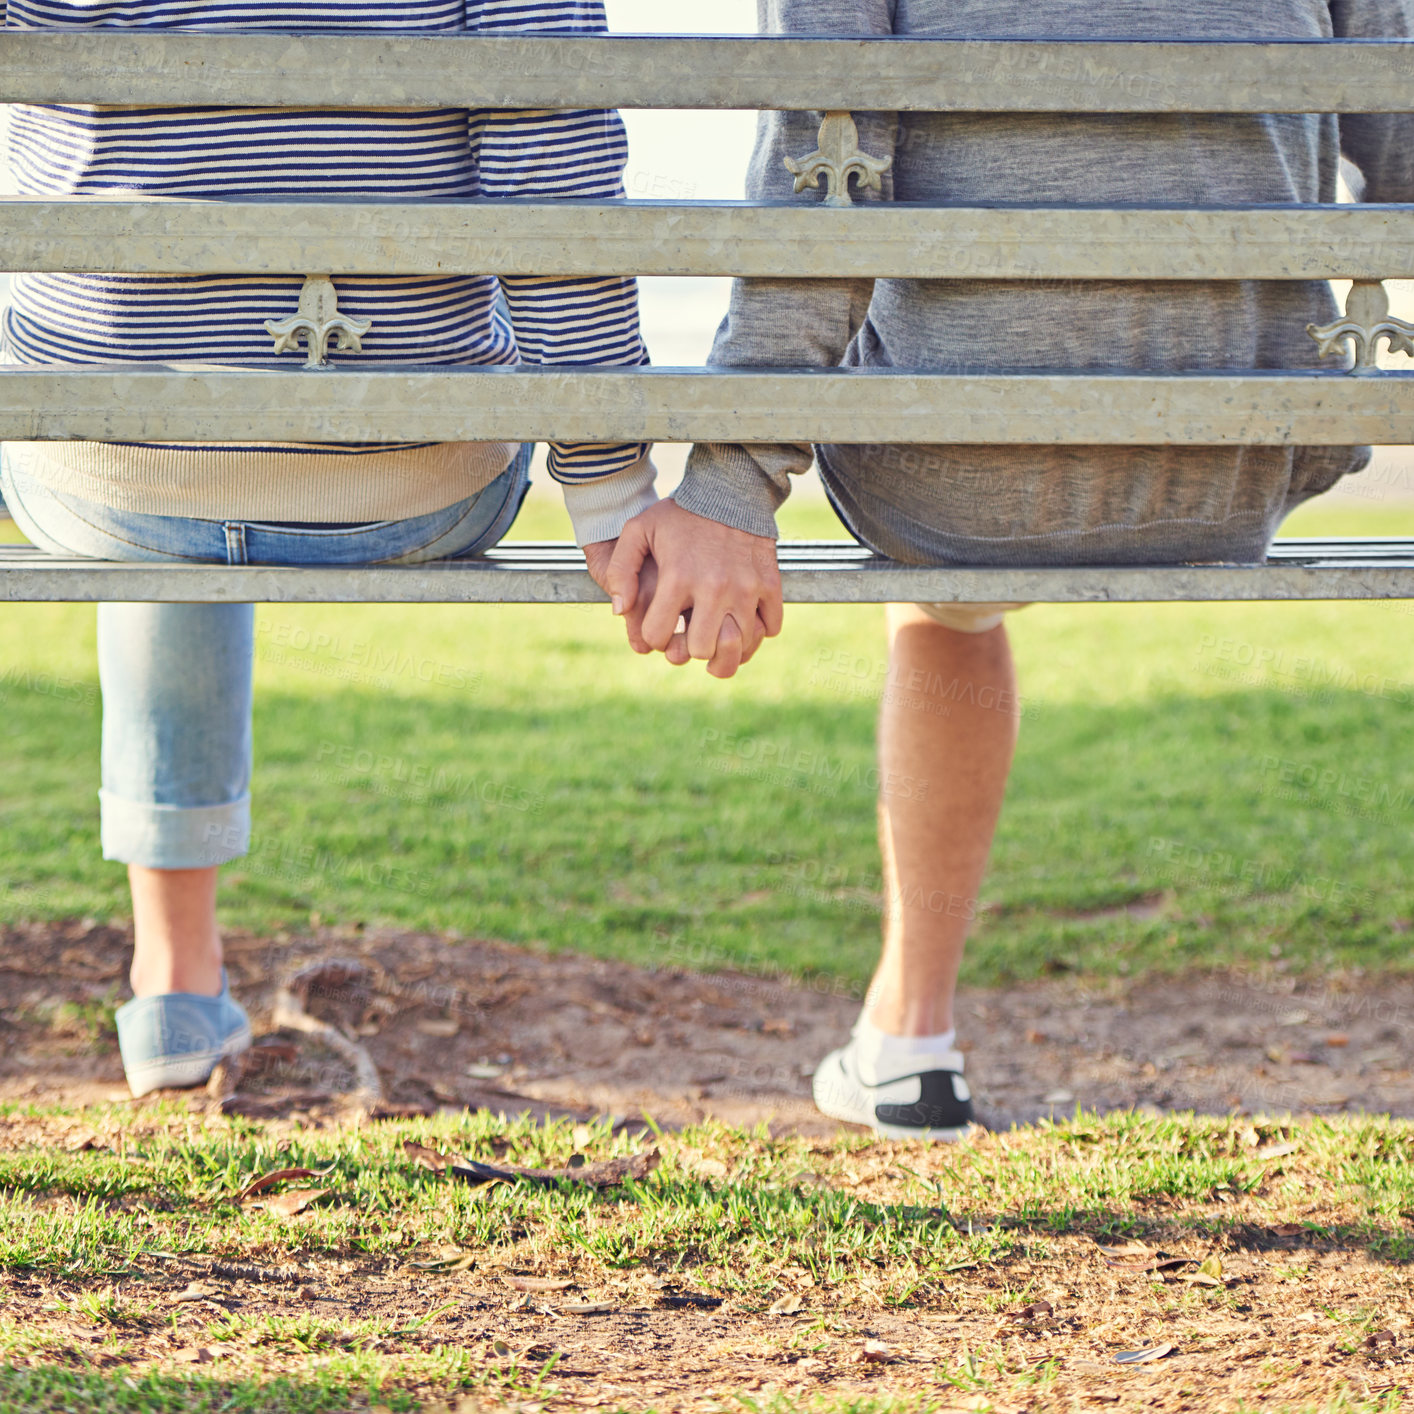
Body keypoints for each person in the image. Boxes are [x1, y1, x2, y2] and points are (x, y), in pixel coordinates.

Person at [607, 0, 1414, 1138]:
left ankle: (909, 1038)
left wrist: (735, 478)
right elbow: (1399, 139)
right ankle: (900, 1027)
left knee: (944, 599)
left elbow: (820, 174)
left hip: (952, 480)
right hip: (1236, 457)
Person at [0, 0, 668, 1097]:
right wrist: (605, 480)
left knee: (163, 465)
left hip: (108, 477)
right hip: (409, 481)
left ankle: (172, 970)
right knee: (207, 446)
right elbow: (554, 169)